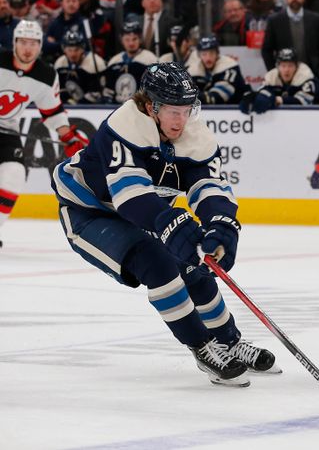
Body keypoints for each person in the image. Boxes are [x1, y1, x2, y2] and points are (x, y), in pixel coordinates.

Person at [50, 61, 280, 386]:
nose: (180, 120)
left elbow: (209, 186)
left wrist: (222, 224)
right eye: (172, 110)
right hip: (89, 214)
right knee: (157, 263)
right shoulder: (124, 125)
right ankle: (203, 347)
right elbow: (130, 195)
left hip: (144, 213)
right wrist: (170, 221)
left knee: (196, 268)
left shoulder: (194, 134)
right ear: (150, 106)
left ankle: (229, 342)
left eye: (186, 110)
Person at [0, 20, 89, 247]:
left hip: (7, 130)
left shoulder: (46, 75)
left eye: (33, 43)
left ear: (40, 46)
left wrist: (68, 136)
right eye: (23, 42)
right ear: (14, 43)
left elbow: (52, 112)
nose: (28, 48)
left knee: (15, 174)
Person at [261, 0, 319, 80]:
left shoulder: (316, 19)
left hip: (312, 74)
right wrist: (274, 72)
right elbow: (266, 50)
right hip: (284, 76)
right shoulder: (275, 20)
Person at [240, 48, 319, 114]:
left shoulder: (306, 77)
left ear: (296, 66)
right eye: (283, 66)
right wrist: (253, 97)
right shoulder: (271, 76)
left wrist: (278, 100)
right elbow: (262, 93)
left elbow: (302, 102)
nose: (287, 70)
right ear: (278, 66)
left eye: (290, 65)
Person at [103, 20, 159, 103]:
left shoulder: (150, 59)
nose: (131, 43)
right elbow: (108, 90)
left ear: (140, 39)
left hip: (141, 107)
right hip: (117, 108)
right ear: (121, 40)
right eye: (127, 39)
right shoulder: (114, 61)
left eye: (134, 39)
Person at [188, 35, 249, 105]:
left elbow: (218, 98)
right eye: (204, 54)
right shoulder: (194, 70)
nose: (208, 58)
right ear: (199, 55)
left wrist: (191, 96)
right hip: (212, 111)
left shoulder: (229, 67)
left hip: (235, 111)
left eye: (211, 53)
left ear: (217, 53)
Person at [54, 30, 107, 104]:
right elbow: (59, 89)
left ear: (82, 49)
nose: (73, 54)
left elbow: (97, 93)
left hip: (92, 106)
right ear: (64, 49)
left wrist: (78, 104)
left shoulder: (96, 62)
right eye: (69, 50)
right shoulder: (60, 63)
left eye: (76, 50)